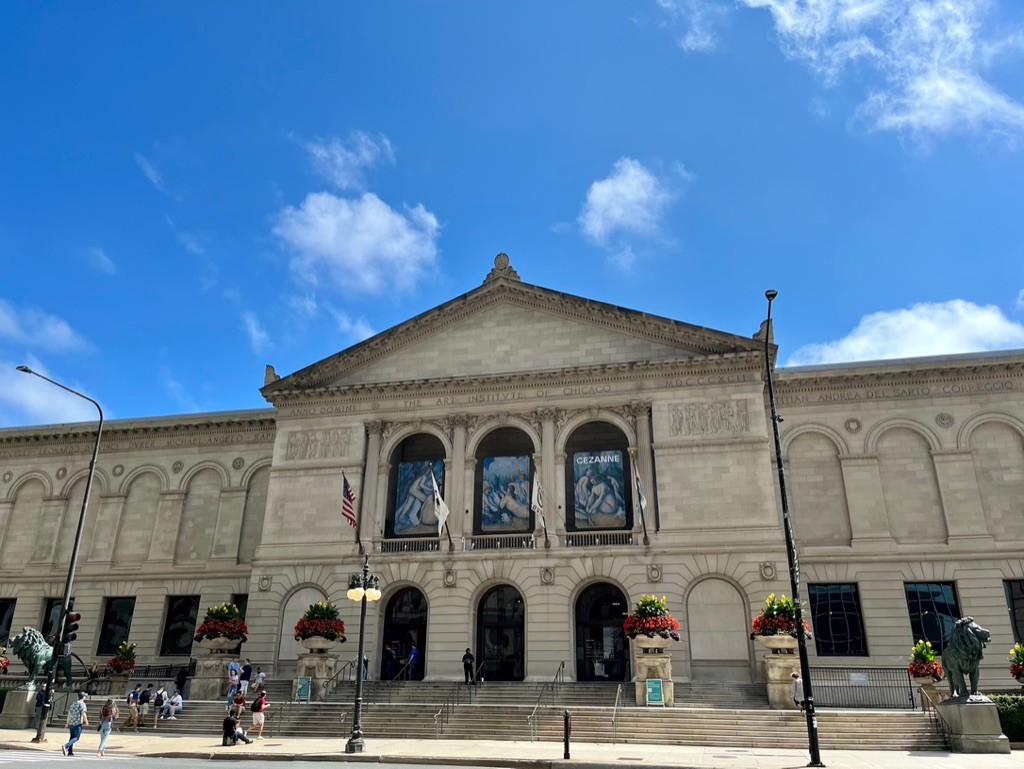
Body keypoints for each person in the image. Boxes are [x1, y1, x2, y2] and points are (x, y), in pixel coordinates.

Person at [61, 692, 89, 757]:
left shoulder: (74, 703)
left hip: (71, 723)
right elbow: (83, 713)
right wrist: (86, 721)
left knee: (72, 737)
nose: (85, 697)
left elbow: (69, 713)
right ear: (83, 697)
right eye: (85, 696)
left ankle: (70, 752)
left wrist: (67, 722)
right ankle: (66, 746)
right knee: (77, 737)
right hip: (78, 723)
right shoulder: (82, 704)